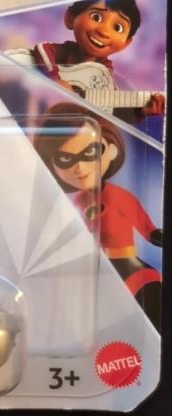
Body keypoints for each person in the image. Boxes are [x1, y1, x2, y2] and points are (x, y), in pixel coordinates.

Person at [34, 103, 162, 329]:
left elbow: (146, 227)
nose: (80, 167)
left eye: (91, 153)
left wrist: (156, 235)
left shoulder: (119, 196)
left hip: (131, 271)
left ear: (111, 149)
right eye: (65, 159)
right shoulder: (70, 205)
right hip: (89, 277)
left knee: (150, 315)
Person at [27, 0, 165, 121]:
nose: (104, 31)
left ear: (125, 43)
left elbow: (111, 109)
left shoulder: (105, 76)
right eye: (96, 17)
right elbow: (42, 49)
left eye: (117, 28)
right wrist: (54, 79)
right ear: (71, 17)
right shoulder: (66, 50)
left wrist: (140, 112)